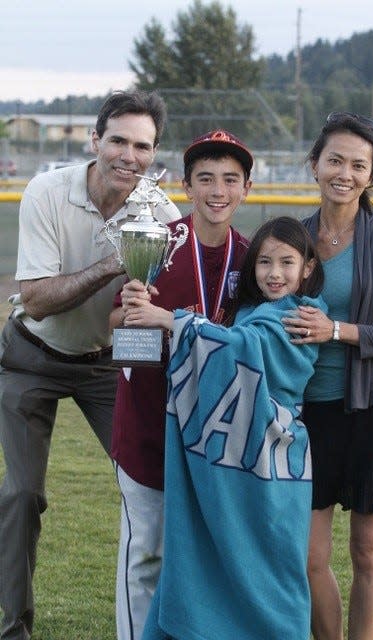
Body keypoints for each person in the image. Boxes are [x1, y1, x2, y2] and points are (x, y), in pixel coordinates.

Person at [0, 89, 181, 640]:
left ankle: (166, 624)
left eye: (143, 146)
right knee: (22, 494)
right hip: (32, 354)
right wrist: (113, 265)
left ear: (154, 153)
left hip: (110, 364)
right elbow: (35, 298)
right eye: (119, 140)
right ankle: (14, 628)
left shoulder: (162, 215)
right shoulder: (48, 191)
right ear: (94, 140)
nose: (130, 155)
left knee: (156, 491)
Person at [124, 215, 325, 640]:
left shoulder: (304, 314)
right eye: (264, 263)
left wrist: (169, 320)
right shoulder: (251, 312)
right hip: (228, 455)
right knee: (208, 552)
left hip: (274, 462)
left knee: (273, 564)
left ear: (307, 267)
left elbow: (245, 348)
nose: (274, 273)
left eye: (287, 263)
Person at [283, 111, 373, 640]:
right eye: (335, 159)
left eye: (357, 164)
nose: (344, 172)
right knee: (308, 557)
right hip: (307, 416)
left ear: (372, 177)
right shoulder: (293, 236)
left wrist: (337, 330)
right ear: (315, 164)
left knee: (368, 552)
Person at [109, 129, 255, 640]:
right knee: (147, 553)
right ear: (188, 187)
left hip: (216, 433)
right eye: (205, 179)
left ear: (247, 189)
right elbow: (111, 324)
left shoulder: (255, 258)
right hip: (151, 420)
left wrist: (172, 319)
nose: (218, 190)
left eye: (230, 180)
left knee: (209, 558)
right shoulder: (157, 243)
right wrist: (132, 309)